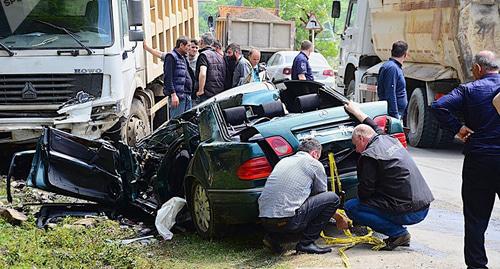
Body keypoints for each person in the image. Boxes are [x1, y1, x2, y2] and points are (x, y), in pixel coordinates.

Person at [430, 51, 499, 269]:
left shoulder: (469, 89)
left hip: (479, 160)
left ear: (478, 69)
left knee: (476, 217)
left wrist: (458, 128)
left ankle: (477, 266)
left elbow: (438, 106)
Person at [343, 101, 434, 250]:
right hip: (423, 204)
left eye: (355, 145)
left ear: (361, 139)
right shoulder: (387, 139)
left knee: (352, 207)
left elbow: (365, 193)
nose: (357, 150)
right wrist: (356, 111)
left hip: (412, 212)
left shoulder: (369, 156)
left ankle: (398, 234)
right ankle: (396, 227)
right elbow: (372, 125)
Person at [258, 138, 349, 254]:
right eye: (319, 156)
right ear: (315, 153)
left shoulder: (284, 161)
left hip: (265, 220)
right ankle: (306, 243)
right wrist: (339, 217)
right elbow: (322, 195)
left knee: (286, 208)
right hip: (289, 221)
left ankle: (274, 238)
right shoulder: (314, 163)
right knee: (332, 198)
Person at [377, 40, 409, 119]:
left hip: (394, 112)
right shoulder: (392, 68)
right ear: (405, 54)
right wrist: (395, 115)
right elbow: (390, 93)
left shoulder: (392, 67)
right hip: (392, 114)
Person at [163, 37, 193, 118]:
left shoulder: (183, 57)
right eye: (188, 46)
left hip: (186, 95)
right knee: (177, 123)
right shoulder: (171, 57)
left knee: (187, 122)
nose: (189, 48)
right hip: (178, 97)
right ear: (181, 45)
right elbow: (168, 78)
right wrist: (173, 95)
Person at [195, 33, 226, 102]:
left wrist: (200, 90)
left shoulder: (203, 55)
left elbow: (203, 74)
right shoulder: (219, 56)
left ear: (202, 42)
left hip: (207, 94)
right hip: (218, 93)